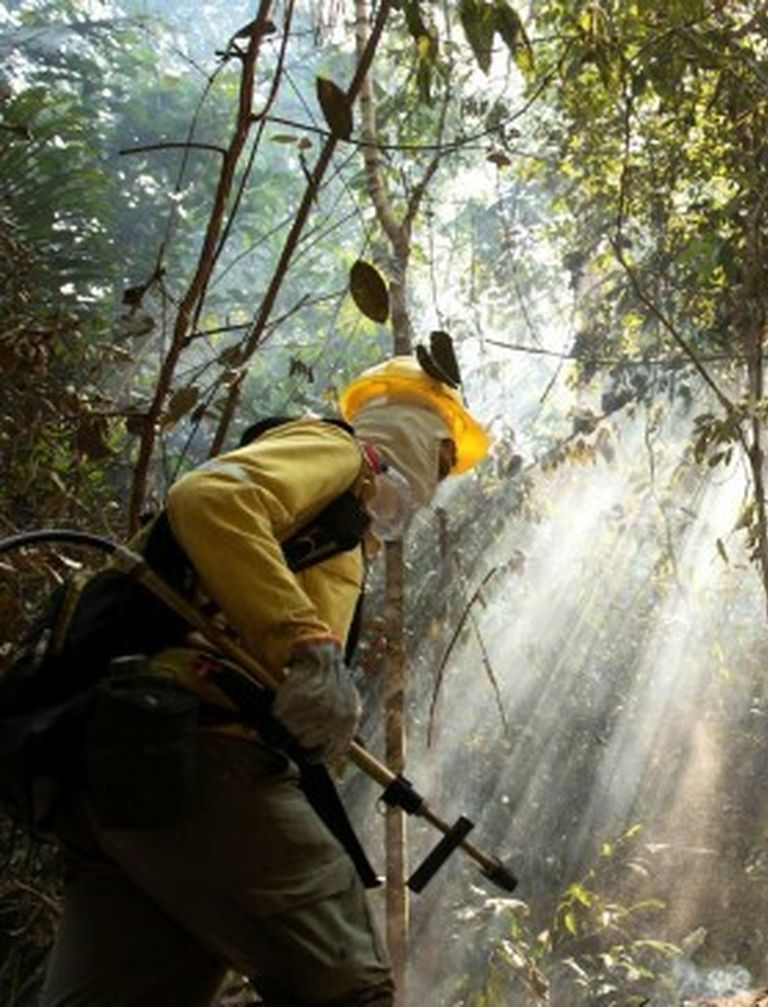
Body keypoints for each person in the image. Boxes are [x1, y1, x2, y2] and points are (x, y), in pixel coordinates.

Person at [40, 353, 489, 1006]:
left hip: (127, 761)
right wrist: (307, 645)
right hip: (203, 752)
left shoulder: (340, 531)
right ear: (413, 430)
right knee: (345, 984)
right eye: (443, 459)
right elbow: (210, 498)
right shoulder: (339, 455)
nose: (437, 480)